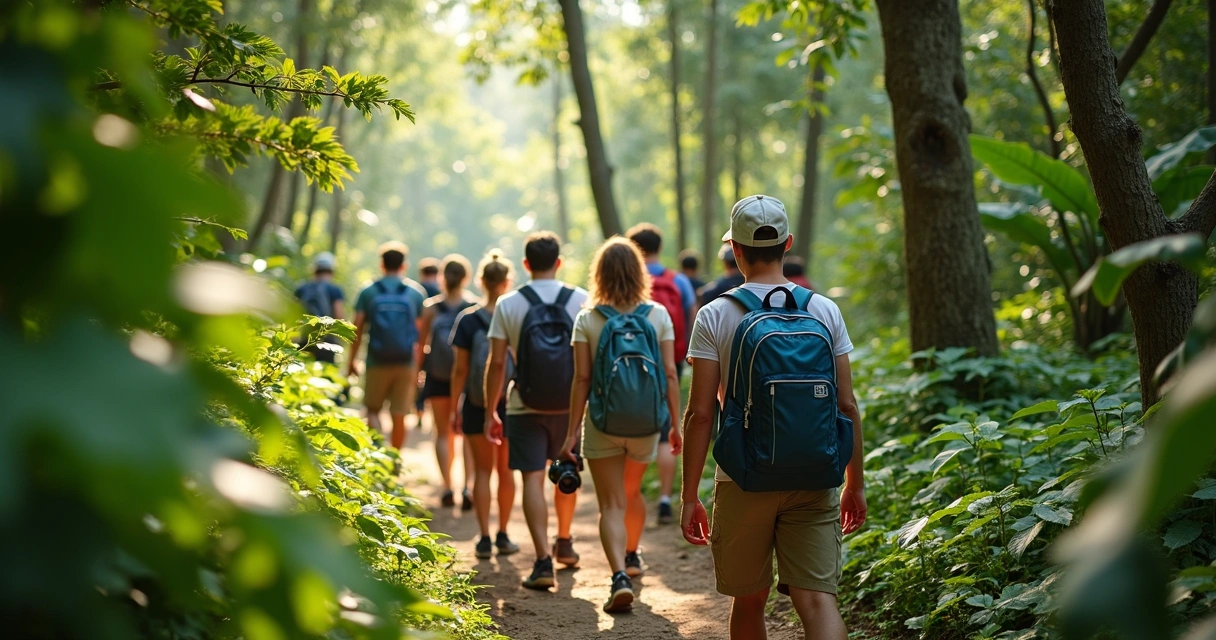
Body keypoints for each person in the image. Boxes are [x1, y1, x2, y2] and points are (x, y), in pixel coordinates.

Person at [680, 195, 867, 640]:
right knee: (818, 600)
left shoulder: (715, 314)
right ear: (788, 244)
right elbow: (847, 405)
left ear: (736, 250)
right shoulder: (824, 310)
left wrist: (690, 495)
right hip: (816, 474)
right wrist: (854, 483)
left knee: (749, 601)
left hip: (743, 477)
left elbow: (701, 413)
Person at [557, 237, 683, 613]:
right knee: (632, 494)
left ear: (600, 275)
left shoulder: (588, 318)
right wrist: (675, 424)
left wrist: (570, 435)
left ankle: (618, 577)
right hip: (646, 423)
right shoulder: (658, 314)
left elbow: (581, 380)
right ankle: (632, 555)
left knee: (610, 503)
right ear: (639, 272)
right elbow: (671, 373)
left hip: (603, 423)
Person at [484, 231, 586, 590]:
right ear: (558, 263)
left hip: (523, 405)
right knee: (566, 470)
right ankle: (565, 539)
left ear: (526, 264)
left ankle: (542, 561)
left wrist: (490, 411)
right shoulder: (582, 300)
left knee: (531, 478)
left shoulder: (508, 304)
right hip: (571, 407)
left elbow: (497, 364)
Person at [449, 250, 521, 560]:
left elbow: (460, 370)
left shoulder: (467, 320)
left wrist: (455, 407)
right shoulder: (515, 316)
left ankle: (483, 537)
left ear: (481, 281)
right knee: (506, 472)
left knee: (481, 471)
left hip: (477, 404)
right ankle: (504, 534)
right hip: (508, 404)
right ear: (507, 282)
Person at [625, 223, 692, 526]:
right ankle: (665, 498)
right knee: (667, 429)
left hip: (629, 364)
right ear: (659, 248)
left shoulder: (627, 281)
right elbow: (692, 312)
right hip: (670, 359)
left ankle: (631, 494)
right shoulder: (677, 280)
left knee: (630, 426)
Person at [347, 242, 428, 454]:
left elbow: (356, 329)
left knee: (372, 411)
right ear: (404, 265)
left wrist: (351, 361)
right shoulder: (415, 293)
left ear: (381, 264)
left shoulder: (368, 291)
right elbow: (420, 336)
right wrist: (418, 367)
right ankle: (394, 461)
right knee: (400, 414)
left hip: (376, 361)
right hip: (405, 363)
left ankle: (378, 450)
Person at [418, 255, 477, 509]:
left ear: (443, 277)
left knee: (443, 433)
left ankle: (446, 486)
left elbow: (421, 344)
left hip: (438, 375)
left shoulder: (431, 307)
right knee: (466, 434)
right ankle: (467, 487)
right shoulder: (473, 306)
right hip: (467, 378)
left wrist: (417, 374)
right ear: (466, 278)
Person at [294, 252, 346, 363]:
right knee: (324, 377)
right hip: (326, 342)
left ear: (315, 269)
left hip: (304, 340)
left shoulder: (302, 288)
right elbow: (339, 317)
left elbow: (293, 315)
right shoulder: (334, 290)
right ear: (332, 270)